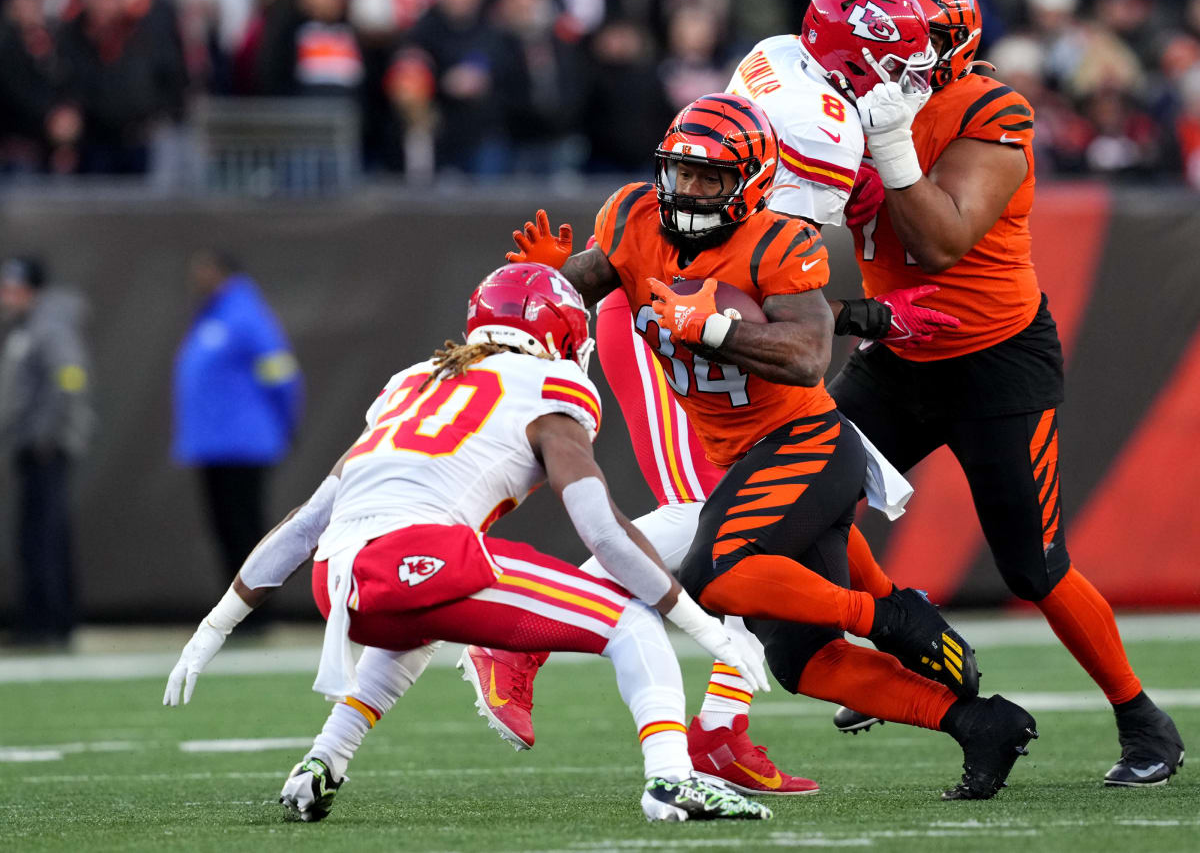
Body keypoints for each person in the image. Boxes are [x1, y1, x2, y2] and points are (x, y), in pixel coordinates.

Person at [464, 0, 962, 798]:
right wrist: (870, 307)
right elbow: (774, 289)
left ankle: (725, 730)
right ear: (855, 54)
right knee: (717, 530)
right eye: (896, 62)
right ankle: (521, 636)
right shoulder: (825, 130)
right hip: (681, 336)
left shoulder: (779, 57)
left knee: (771, 537)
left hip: (705, 336)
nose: (908, 81)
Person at [163, 262, 772, 824]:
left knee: (422, 617)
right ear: (559, 331)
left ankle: (322, 762)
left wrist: (212, 629)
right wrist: (709, 632)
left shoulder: (413, 382)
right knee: (633, 621)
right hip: (411, 555)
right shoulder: (552, 386)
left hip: (338, 577)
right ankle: (671, 779)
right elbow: (603, 531)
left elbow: (304, 525)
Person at [825, 0, 1184, 788]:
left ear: (948, 46)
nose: (888, 58)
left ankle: (1142, 720)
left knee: (1033, 564)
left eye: (906, 40)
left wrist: (882, 144)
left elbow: (942, 240)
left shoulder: (992, 107)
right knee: (802, 493)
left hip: (994, 359)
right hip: (898, 353)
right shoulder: (852, 100)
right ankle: (913, 640)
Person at [172, 250, 303, 601]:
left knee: (245, 530)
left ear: (222, 272)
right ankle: (233, 607)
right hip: (213, 445)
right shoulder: (212, 315)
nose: (196, 277)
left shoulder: (245, 316)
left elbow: (281, 374)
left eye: (204, 269)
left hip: (244, 443)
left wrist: (286, 422)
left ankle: (257, 609)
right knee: (225, 530)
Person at [0, 254, 94, 647]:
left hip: (47, 448)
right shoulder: (25, 329)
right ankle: (43, 618)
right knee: (36, 534)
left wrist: (46, 435)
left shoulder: (50, 329)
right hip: (30, 445)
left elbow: (70, 379)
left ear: (31, 291)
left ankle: (51, 622)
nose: (6, 297)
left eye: (13, 289)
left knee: (44, 535)